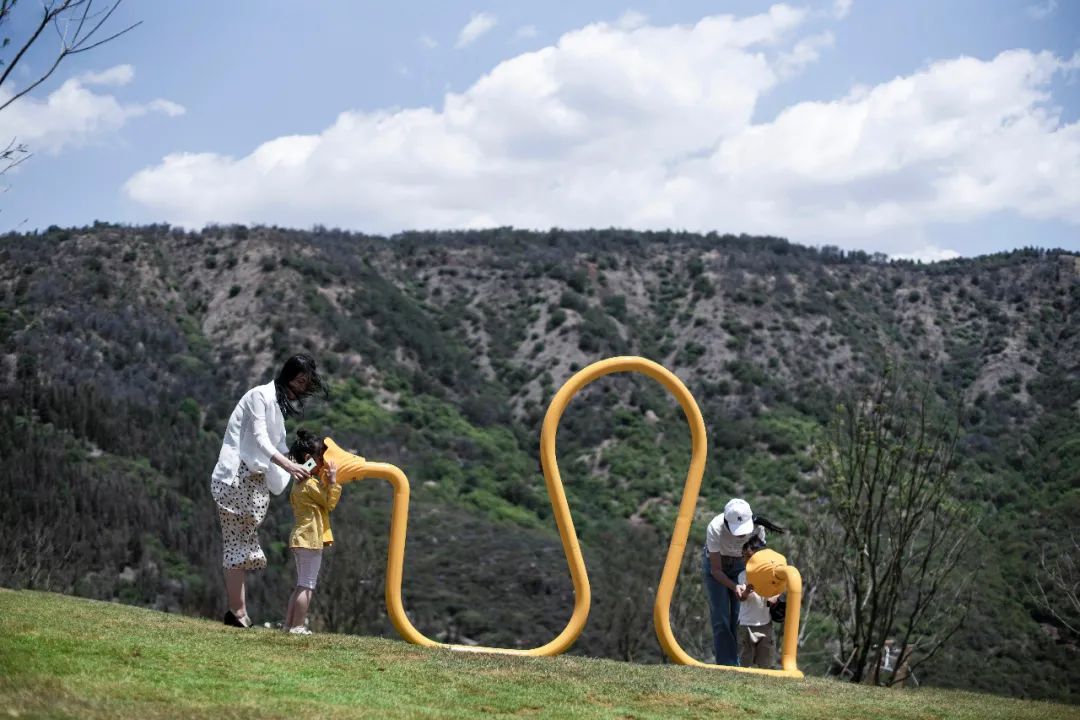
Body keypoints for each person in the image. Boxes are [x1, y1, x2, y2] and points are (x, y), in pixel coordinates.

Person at [211, 353, 327, 628]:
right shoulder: (259, 397)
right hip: (235, 479)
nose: (302, 387)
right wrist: (290, 465)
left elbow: (280, 448)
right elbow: (263, 440)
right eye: (300, 380)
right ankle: (238, 614)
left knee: (240, 544)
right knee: (237, 545)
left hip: (252, 483)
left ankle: (237, 613)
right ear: (289, 375)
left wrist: (313, 461)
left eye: (306, 382)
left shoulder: (276, 404)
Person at [702, 498, 786, 665]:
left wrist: (773, 592)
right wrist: (735, 587)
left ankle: (742, 662)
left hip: (742, 565)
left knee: (738, 616)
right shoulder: (715, 528)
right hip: (718, 566)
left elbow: (762, 564)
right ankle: (727, 665)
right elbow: (716, 570)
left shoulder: (757, 529)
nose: (741, 534)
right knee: (721, 618)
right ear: (726, 521)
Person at [283, 429, 341, 635]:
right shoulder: (309, 484)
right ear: (309, 459)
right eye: (320, 458)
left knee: (301, 584)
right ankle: (297, 626)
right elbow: (329, 502)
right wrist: (333, 482)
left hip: (301, 539)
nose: (324, 463)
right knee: (307, 585)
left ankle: (289, 626)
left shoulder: (299, 483)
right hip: (309, 539)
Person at [737, 536, 777, 669]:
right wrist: (747, 591)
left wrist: (775, 597)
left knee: (766, 662)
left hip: (765, 624)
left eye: (748, 556)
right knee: (745, 661)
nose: (745, 560)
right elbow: (741, 597)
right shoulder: (742, 575)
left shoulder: (770, 574)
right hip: (746, 624)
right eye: (743, 556)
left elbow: (779, 588)